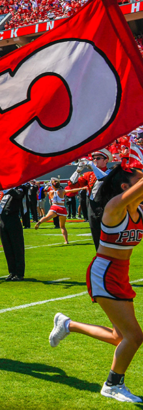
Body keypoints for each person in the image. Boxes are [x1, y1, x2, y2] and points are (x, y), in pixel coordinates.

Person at [50, 159, 143, 403]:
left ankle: (68, 324)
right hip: (105, 273)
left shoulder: (139, 211)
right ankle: (112, 385)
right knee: (134, 337)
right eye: (138, 177)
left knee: (119, 337)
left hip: (120, 273)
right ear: (125, 187)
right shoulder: (114, 207)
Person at [70, 150, 113, 249]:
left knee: (109, 236)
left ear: (106, 160)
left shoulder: (111, 172)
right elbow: (72, 183)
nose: (95, 160)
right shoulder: (89, 174)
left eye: (98, 158)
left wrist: (92, 166)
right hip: (93, 207)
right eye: (93, 158)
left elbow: (103, 179)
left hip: (107, 207)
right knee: (96, 235)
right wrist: (78, 170)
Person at [33, 178, 77, 244]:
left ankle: (39, 222)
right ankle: (66, 241)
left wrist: (48, 185)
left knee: (47, 217)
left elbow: (45, 191)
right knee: (62, 226)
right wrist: (82, 188)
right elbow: (72, 190)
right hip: (62, 208)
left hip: (54, 207)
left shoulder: (51, 192)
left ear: (53, 186)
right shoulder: (62, 191)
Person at [0, 185, 27, 280]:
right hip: (2, 218)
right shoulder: (4, 192)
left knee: (17, 246)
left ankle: (19, 273)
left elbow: (19, 195)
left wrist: (8, 189)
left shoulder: (20, 188)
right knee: (7, 247)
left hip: (12, 218)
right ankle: (12, 271)